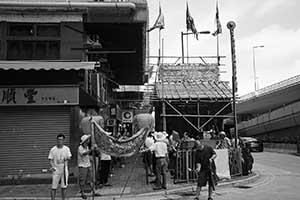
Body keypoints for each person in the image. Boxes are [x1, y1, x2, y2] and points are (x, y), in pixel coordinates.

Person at [48, 134, 72, 200]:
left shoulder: (66, 149)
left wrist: (66, 158)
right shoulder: (53, 149)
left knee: (64, 187)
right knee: (54, 187)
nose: (59, 141)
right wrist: (52, 166)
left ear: (63, 140)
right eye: (58, 139)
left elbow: (69, 157)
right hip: (56, 170)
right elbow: (50, 159)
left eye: (61, 140)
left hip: (64, 170)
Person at [77, 135, 101, 199]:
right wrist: (91, 150)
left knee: (91, 179)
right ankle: (82, 192)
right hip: (82, 166)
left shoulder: (87, 147)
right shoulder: (80, 148)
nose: (88, 141)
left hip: (88, 165)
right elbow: (84, 153)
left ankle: (94, 191)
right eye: (87, 140)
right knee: (82, 180)